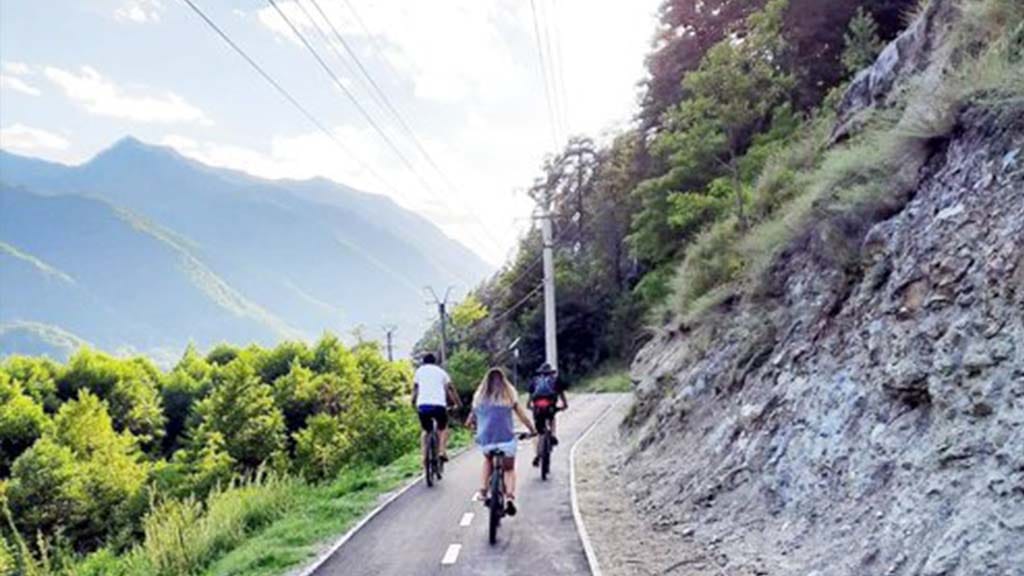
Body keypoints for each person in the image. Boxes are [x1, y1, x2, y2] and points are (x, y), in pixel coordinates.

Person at [465, 367, 537, 516]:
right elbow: (523, 416)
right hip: (506, 440)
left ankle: (483, 491)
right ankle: (509, 497)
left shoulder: (479, 397)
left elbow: (469, 422)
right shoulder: (509, 396)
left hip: (487, 440)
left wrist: (474, 428)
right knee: (509, 469)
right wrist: (532, 430)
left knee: (488, 460)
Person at [411, 353, 460, 465]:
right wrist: (457, 403)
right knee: (443, 428)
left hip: (423, 405)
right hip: (439, 405)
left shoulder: (419, 371)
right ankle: (442, 451)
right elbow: (450, 389)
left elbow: (415, 389)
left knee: (425, 430)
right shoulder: (442, 372)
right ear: (435, 361)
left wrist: (413, 402)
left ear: (423, 362)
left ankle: (424, 457)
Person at [527, 362, 568, 467]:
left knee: (538, 432)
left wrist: (530, 407)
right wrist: (564, 405)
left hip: (537, 408)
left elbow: (530, 399)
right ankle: (553, 435)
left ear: (540, 372)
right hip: (550, 407)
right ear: (551, 372)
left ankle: (537, 453)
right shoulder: (555, 380)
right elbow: (561, 394)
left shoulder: (535, 381)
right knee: (552, 418)